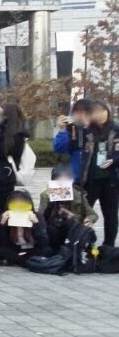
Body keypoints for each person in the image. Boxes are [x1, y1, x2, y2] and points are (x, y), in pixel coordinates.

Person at [80, 101, 118, 246]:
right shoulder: (87, 129)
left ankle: (108, 246)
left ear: (105, 111)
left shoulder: (116, 129)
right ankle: (83, 243)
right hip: (91, 178)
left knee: (111, 215)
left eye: (97, 111)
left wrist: (114, 159)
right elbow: (73, 147)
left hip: (111, 179)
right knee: (84, 213)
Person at [39, 164, 98, 251]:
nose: (62, 184)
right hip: (54, 225)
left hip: (73, 225)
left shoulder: (78, 194)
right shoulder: (46, 195)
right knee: (51, 232)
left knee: (79, 231)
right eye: (58, 180)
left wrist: (88, 220)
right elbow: (41, 216)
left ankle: (76, 250)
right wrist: (48, 199)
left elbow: (92, 214)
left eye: (65, 180)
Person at [0, 190, 52, 266]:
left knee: (47, 250)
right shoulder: (6, 215)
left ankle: (17, 260)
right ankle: (25, 261)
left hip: (32, 248)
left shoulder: (37, 216)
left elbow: (43, 242)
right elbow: (1, 240)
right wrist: (2, 224)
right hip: (14, 248)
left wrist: (36, 224)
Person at [53, 99, 93, 183]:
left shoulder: (95, 130)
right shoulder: (68, 128)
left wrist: (88, 127)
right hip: (68, 176)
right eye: (78, 112)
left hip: (90, 178)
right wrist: (62, 129)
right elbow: (59, 148)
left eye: (85, 112)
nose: (81, 116)